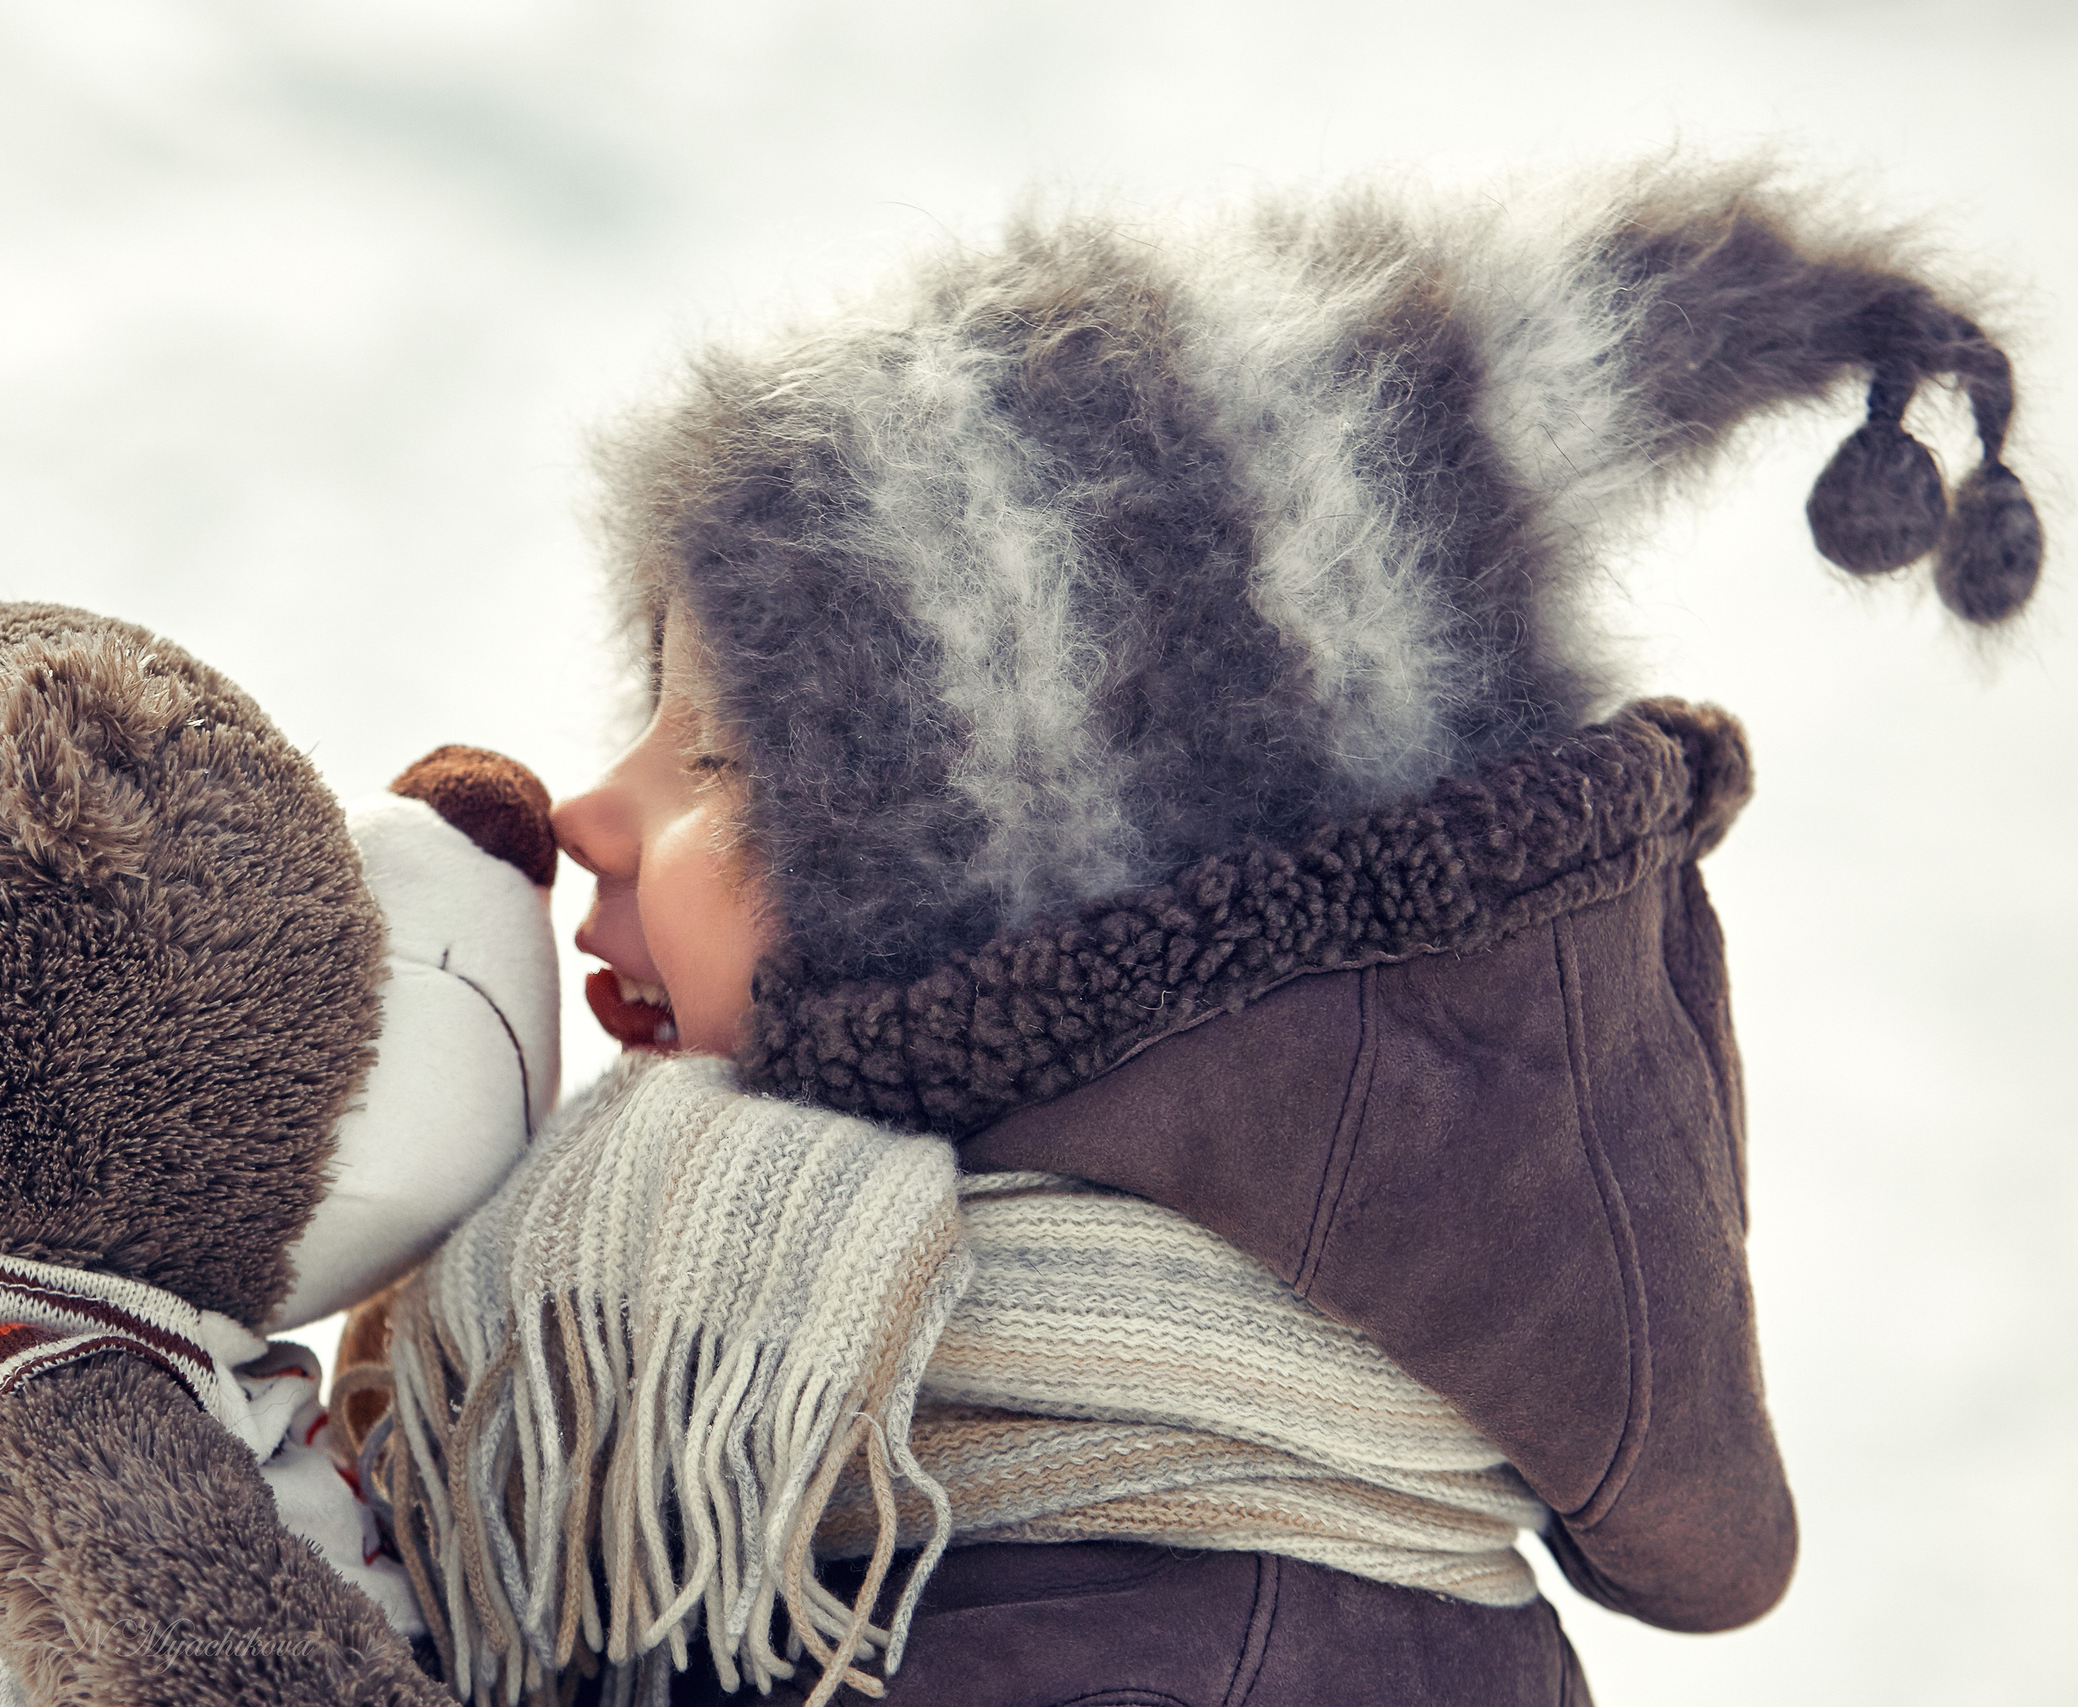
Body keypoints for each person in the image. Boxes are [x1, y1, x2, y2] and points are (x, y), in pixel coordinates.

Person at [372, 156, 2042, 1707]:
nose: (586, 813)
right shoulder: (855, 1440)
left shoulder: (1172, 1616)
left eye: (724, 758)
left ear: (1050, 931)